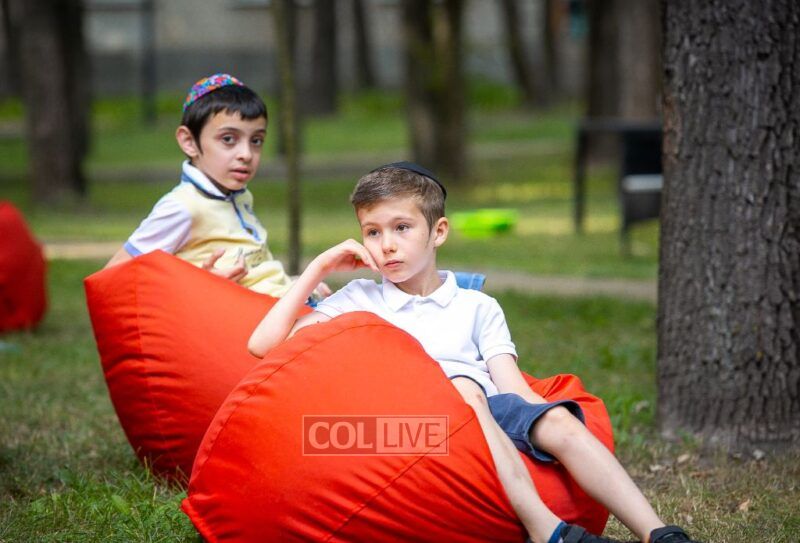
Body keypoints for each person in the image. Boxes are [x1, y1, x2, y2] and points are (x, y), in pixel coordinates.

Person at [247, 162, 701, 543]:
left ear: (438, 231)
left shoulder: (477, 306)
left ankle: (660, 533)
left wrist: (548, 419)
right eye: (372, 232)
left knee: (555, 419)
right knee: (465, 388)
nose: (386, 245)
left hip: (488, 414)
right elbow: (263, 347)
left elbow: (513, 388)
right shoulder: (360, 298)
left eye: (402, 228)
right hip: (414, 425)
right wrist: (319, 267)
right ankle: (547, 531)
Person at [105, 73, 328, 299]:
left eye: (256, 141)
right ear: (189, 142)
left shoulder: (236, 196)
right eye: (228, 139)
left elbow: (255, 276)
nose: (246, 154)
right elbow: (112, 278)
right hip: (254, 318)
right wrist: (202, 285)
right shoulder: (183, 206)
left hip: (280, 308)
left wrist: (294, 285)